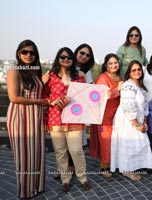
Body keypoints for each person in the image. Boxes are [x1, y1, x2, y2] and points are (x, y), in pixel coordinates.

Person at [43, 47, 91, 192]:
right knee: (60, 151)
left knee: (77, 150)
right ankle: (65, 179)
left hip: (75, 119)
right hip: (55, 119)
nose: (66, 60)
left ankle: (82, 177)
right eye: (63, 57)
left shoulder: (79, 76)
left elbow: (85, 95)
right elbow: (43, 96)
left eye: (69, 57)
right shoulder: (50, 76)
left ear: (73, 60)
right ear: (58, 58)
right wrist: (52, 101)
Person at [6, 39, 48, 199]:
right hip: (21, 116)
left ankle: (36, 186)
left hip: (36, 116)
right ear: (18, 53)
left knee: (37, 153)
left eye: (32, 52)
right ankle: (25, 190)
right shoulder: (14, 71)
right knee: (24, 154)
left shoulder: (34, 71)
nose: (28, 55)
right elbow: (13, 98)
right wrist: (39, 102)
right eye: (25, 52)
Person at [110, 60, 152, 181]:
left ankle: (140, 165)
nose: (137, 72)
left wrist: (144, 121)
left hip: (139, 118)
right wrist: (135, 123)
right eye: (133, 70)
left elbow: (145, 106)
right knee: (129, 144)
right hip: (127, 119)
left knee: (141, 142)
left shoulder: (141, 86)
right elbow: (128, 105)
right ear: (129, 72)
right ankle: (126, 170)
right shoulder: (128, 85)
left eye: (139, 69)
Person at [89, 53, 123, 177]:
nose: (114, 65)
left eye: (116, 62)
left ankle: (114, 163)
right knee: (106, 140)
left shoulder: (119, 77)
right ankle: (104, 166)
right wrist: (118, 89)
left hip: (117, 114)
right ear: (106, 65)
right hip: (104, 115)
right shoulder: (102, 78)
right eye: (111, 63)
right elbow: (102, 96)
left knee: (115, 139)